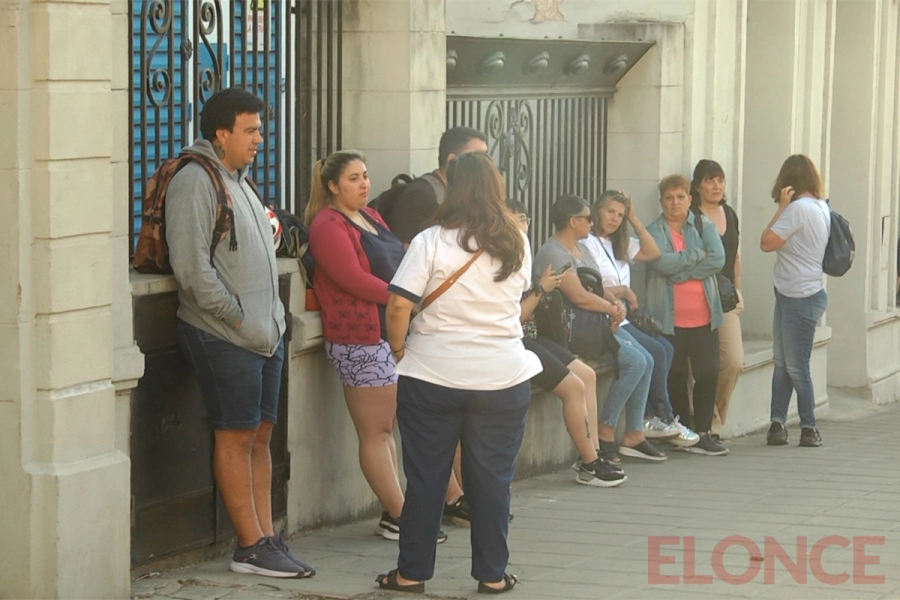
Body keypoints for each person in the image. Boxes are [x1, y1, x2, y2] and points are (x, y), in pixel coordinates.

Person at [167, 87, 314, 578]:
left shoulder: (238, 179)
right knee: (234, 437)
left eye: (260, 128)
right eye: (250, 130)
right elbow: (192, 269)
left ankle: (265, 536)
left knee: (260, 436)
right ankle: (249, 547)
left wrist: (266, 319)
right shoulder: (195, 179)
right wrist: (234, 315)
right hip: (224, 335)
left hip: (262, 334)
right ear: (221, 133)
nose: (259, 139)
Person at [378, 152, 541, 594]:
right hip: (503, 377)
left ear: (453, 188)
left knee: (427, 478)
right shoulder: (518, 241)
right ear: (496, 188)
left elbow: (398, 304)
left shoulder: (430, 240)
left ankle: (411, 574)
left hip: (432, 374)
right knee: (492, 480)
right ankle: (492, 575)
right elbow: (516, 300)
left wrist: (398, 351)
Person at [306, 151, 447, 544]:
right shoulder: (327, 225)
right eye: (353, 178)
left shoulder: (371, 216)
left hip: (389, 333)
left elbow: (400, 259)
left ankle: (398, 512)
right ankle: (401, 517)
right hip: (360, 339)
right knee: (376, 432)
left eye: (365, 176)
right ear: (332, 186)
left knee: (389, 429)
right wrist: (404, 297)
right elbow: (352, 279)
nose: (364, 184)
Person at [534, 195, 665, 466]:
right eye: (587, 217)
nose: (591, 222)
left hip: (597, 324)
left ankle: (633, 433)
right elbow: (579, 296)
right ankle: (605, 434)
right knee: (636, 361)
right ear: (573, 222)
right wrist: (610, 308)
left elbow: (594, 284)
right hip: (577, 330)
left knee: (649, 359)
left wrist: (614, 303)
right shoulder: (554, 252)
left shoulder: (582, 248)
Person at [510, 199, 626, 487]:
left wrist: (614, 302)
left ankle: (594, 455)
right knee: (574, 385)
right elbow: (513, 317)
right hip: (511, 341)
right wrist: (541, 288)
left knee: (586, 374)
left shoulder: (520, 255)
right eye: (516, 219)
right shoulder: (508, 257)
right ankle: (588, 462)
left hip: (531, 336)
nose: (523, 226)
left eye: (526, 219)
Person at [583, 191, 700, 450]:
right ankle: (656, 417)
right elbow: (586, 289)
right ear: (597, 210)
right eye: (610, 212)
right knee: (653, 353)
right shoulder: (586, 244)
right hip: (603, 316)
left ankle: (652, 418)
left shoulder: (619, 242)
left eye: (620, 215)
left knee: (665, 348)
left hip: (624, 315)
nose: (615, 219)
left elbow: (653, 252)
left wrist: (634, 220)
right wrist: (623, 292)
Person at [645, 174, 729, 457]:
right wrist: (696, 255)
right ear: (661, 202)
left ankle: (704, 432)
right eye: (669, 198)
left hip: (704, 316)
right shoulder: (653, 231)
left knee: (707, 373)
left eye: (680, 197)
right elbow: (660, 263)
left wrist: (680, 271)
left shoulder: (704, 224)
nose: (675, 203)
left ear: (690, 199)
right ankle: (681, 431)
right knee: (675, 374)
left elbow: (717, 260)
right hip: (668, 318)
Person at [760, 155, 830, 447]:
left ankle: (808, 427)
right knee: (784, 362)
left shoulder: (797, 210)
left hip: (798, 297)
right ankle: (777, 423)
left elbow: (766, 242)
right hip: (801, 293)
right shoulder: (821, 207)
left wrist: (781, 208)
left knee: (795, 365)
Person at [690, 160, 744, 440]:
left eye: (720, 180)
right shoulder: (691, 216)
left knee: (733, 360)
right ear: (697, 185)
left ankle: (715, 422)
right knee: (700, 363)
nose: (716, 186)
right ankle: (703, 422)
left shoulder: (730, 214)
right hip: (697, 297)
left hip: (725, 299)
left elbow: (735, 256)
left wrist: (737, 291)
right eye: (710, 180)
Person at [377, 126, 488, 245]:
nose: (484, 164)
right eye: (476, 157)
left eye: (486, 157)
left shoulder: (464, 195)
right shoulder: (420, 196)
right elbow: (405, 251)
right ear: (452, 160)